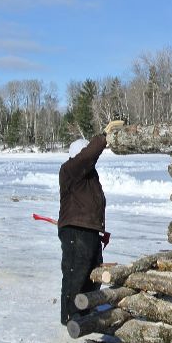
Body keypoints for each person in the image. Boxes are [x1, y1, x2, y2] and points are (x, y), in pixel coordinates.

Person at [58, 134, 108, 326]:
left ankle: (86, 308)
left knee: (92, 273)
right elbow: (87, 156)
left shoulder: (89, 175)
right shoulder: (69, 169)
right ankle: (71, 315)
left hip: (90, 231)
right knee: (75, 274)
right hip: (75, 231)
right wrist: (102, 138)